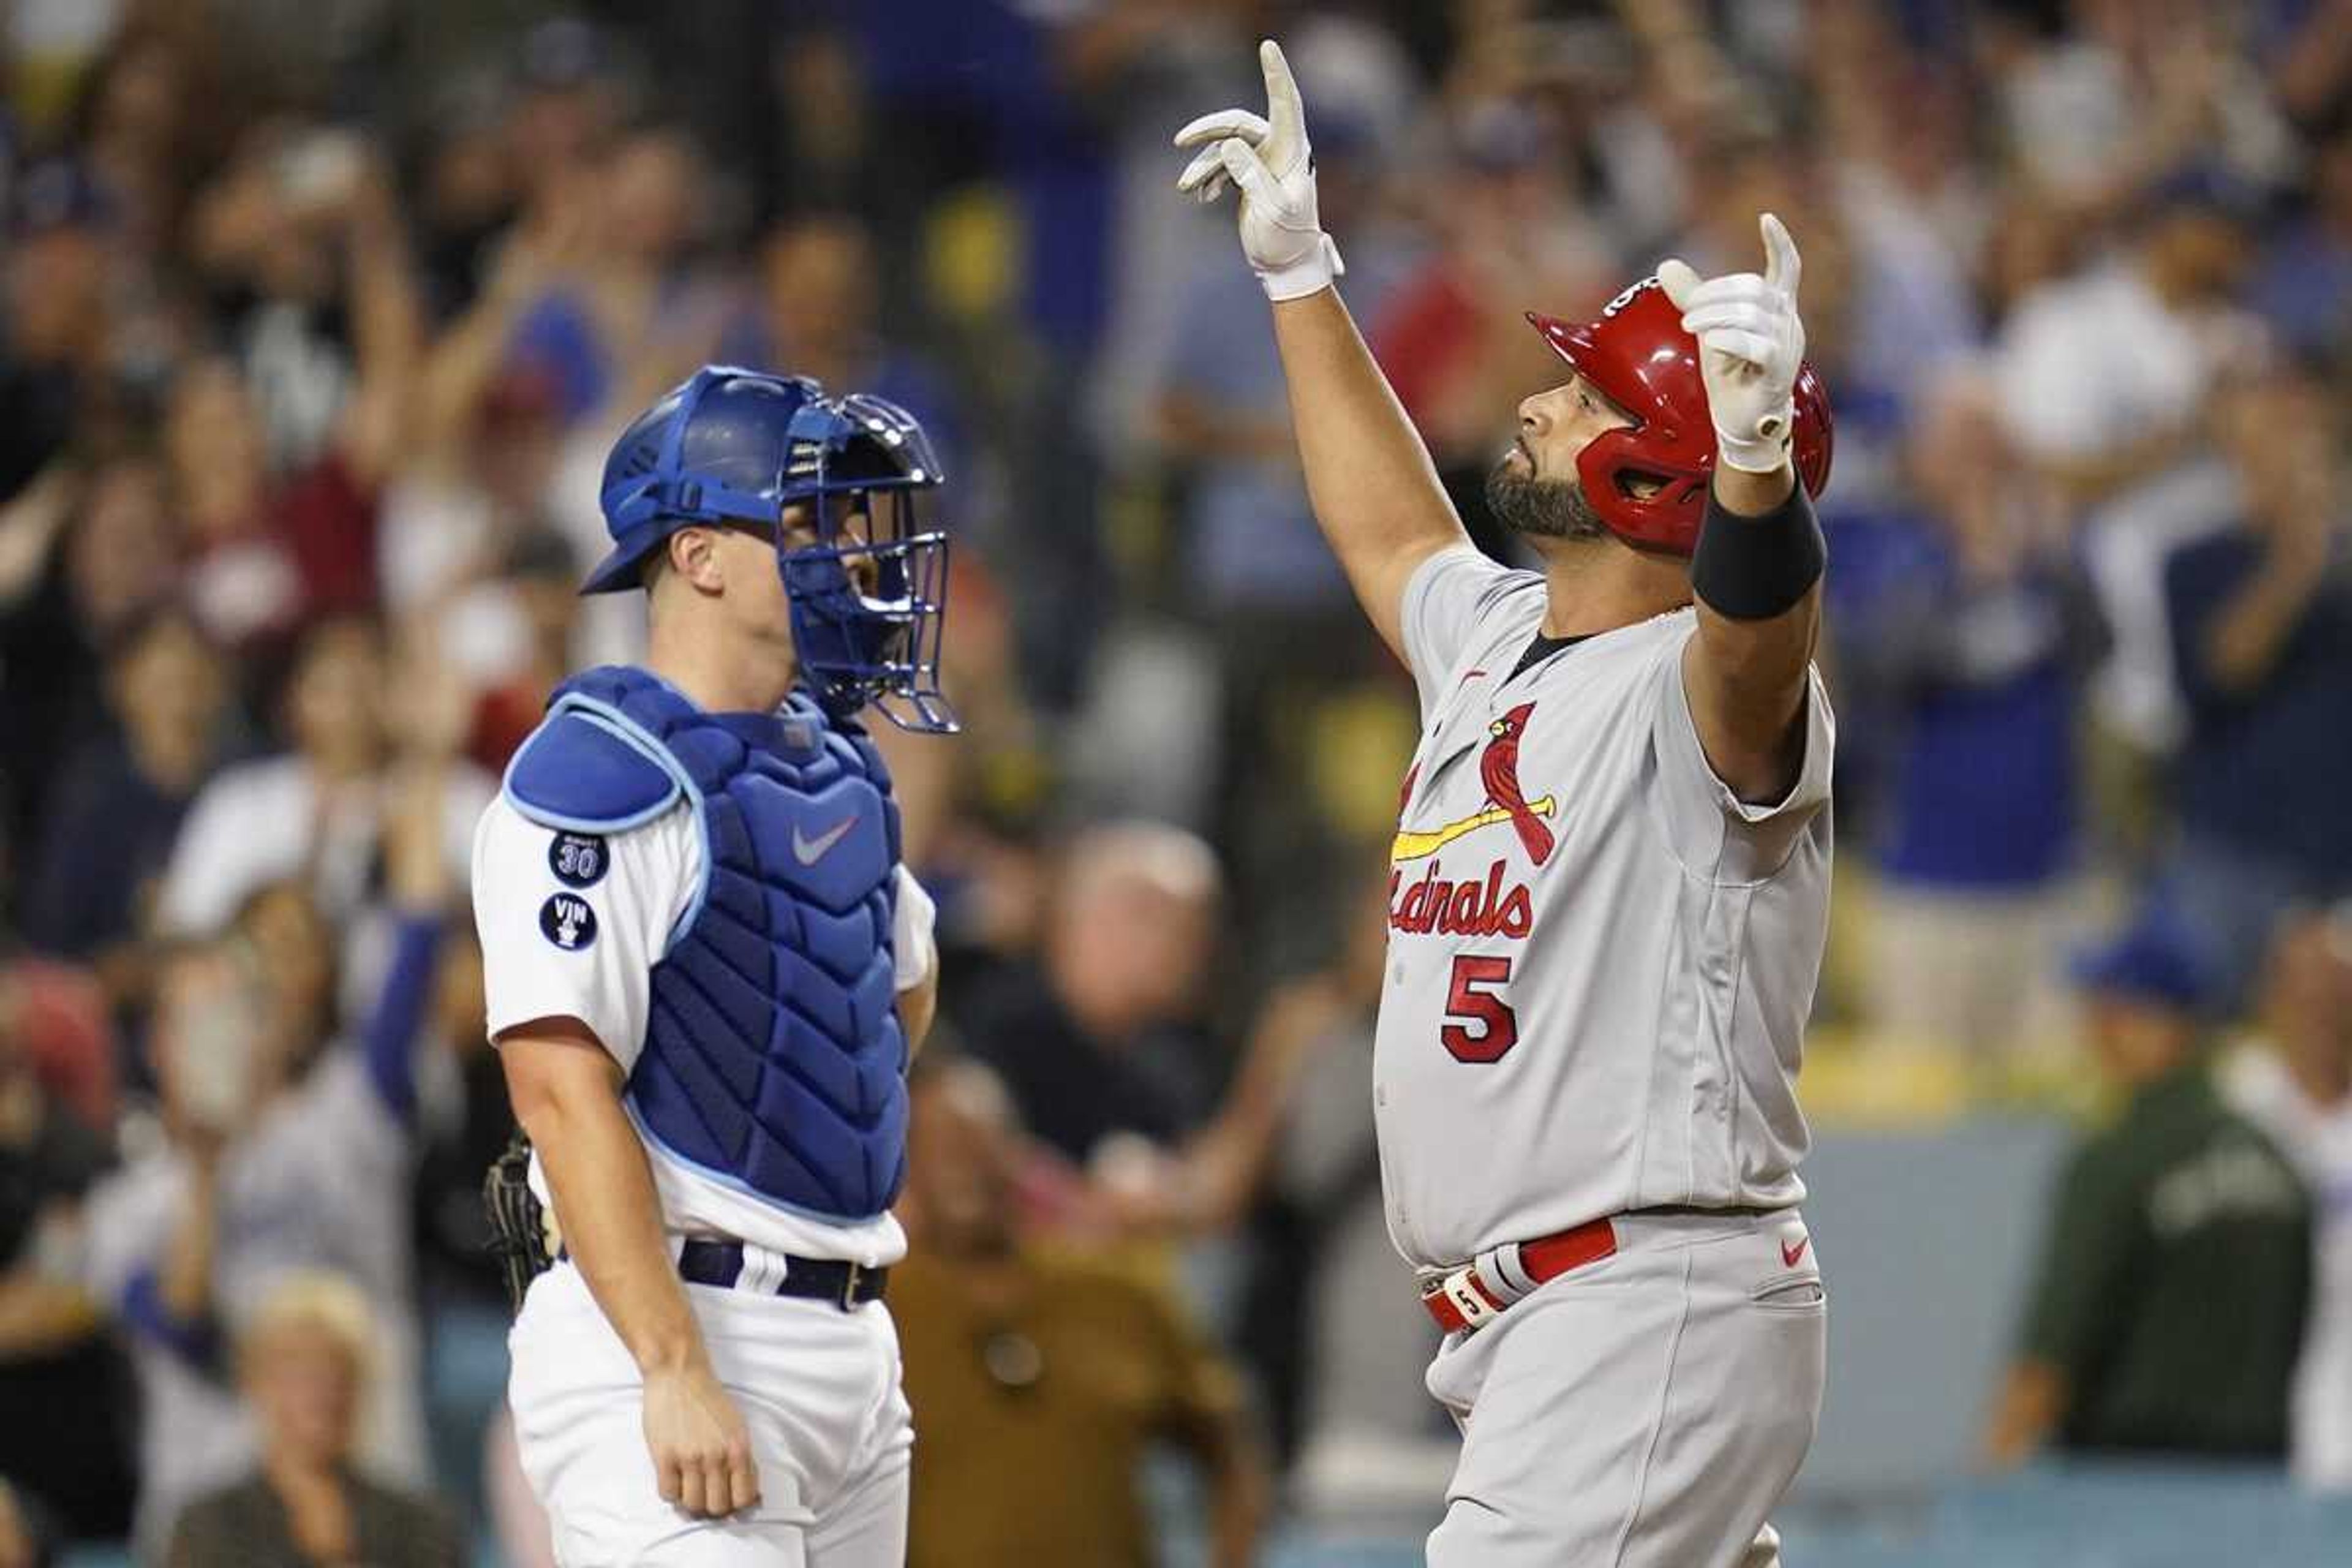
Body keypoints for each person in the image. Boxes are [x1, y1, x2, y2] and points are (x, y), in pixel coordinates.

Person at [1174, 41, 1835, 1566]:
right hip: (1556, 1310)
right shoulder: (1496, 635)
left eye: (1588, 394)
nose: (1536, 400)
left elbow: (1758, 649)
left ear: (1658, 483)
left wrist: (1753, 475)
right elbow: (1384, 520)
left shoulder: (1703, 682)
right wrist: (1298, 281)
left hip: (1641, 1287)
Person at [478, 366, 949, 1564]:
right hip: (681, 1320)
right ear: (697, 555)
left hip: (851, 1334)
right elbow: (556, 1088)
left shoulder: (835, 764)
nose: (853, 551)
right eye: (810, 519)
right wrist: (672, 1360)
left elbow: (889, 999)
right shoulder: (596, 778)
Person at [891, 1055, 1266, 1568]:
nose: (965, 1167)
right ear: (904, 1168)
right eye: (939, 1149)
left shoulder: (1118, 1291)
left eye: (981, 1144)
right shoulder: (877, 1312)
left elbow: (1232, 1453)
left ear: (1020, 1154)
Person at [1983, 910, 2312, 1466]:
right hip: (2259, 1490)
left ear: (2153, 1020)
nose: (2095, 1028)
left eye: (2111, 1009)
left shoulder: (2117, 1160)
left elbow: (2050, 1358)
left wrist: (1988, 1482)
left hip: (2127, 1484)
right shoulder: (2277, 1163)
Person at [167, 1270, 461, 1568]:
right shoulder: (209, 1527)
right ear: (256, 1382)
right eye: (299, 1370)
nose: (322, 1390)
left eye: (337, 1368)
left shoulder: (422, 1527)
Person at [2220, 906, 2352, 1490]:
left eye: (2335, 992)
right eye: (2304, 990)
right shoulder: (2231, 1099)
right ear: (2271, 997)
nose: (2320, 1010)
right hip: (2240, 1373)